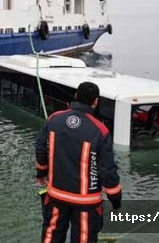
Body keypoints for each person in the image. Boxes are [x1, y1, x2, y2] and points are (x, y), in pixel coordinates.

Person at [35, 82, 122, 243]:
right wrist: (116, 201)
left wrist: (41, 172)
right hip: (86, 203)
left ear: (75, 96)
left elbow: (41, 149)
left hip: (56, 195)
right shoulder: (100, 130)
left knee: (51, 234)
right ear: (95, 101)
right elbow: (107, 171)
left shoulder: (53, 119)